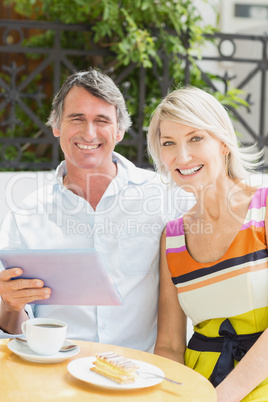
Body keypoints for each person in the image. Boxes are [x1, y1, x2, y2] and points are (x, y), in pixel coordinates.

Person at [0, 68, 193, 352]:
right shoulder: (25, 214)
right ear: (57, 126)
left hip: (140, 376)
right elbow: (14, 328)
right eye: (76, 118)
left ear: (119, 130)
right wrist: (10, 306)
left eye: (101, 120)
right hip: (56, 378)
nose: (89, 133)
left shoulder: (165, 196)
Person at [147, 86, 268, 401]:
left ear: (224, 143)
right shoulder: (172, 237)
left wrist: (222, 397)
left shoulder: (264, 208)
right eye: (169, 143)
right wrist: (174, 396)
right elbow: (170, 346)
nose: (182, 156)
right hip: (195, 389)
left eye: (195, 138)